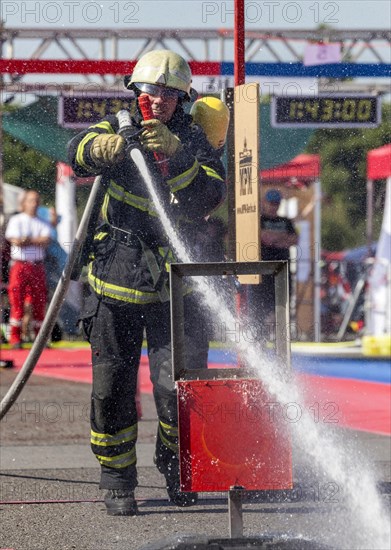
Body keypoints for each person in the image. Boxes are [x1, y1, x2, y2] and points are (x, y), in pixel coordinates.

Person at [67, 50, 226, 516]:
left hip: (179, 287)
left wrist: (178, 157)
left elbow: (212, 195)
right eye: (150, 91)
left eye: (169, 93)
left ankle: (176, 465)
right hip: (117, 278)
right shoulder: (115, 126)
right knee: (112, 386)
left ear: (183, 99)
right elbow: (76, 151)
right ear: (136, 91)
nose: (157, 100)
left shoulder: (195, 140)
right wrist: (101, 150)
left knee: (178, 386)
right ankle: (117, 479)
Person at [247, 189, 298, 342]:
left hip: (282, 269)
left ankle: (279, 337)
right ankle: (260, 337)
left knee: (281, 304)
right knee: (261, 306)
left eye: (276, 204)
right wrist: (280, 239)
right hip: (263, 270)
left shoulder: (286, 221)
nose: (273, 207)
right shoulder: (260, 220)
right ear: (264, 203)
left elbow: (294, 239)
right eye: (271, 203)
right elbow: (264, 238)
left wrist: (274, 238)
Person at [5, 189, 52, 349]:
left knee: (39, 300)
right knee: (16, 299)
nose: (34, 204)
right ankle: (15, 338)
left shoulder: (42, 221)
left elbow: (46, 240)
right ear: (24, 203)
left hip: (37, 266)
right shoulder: (17, 220)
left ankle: (40, 338)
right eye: (31, 201)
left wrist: (27, 240)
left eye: (36, 201)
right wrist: (34, 241)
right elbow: (15, 241)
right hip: (20, 265)